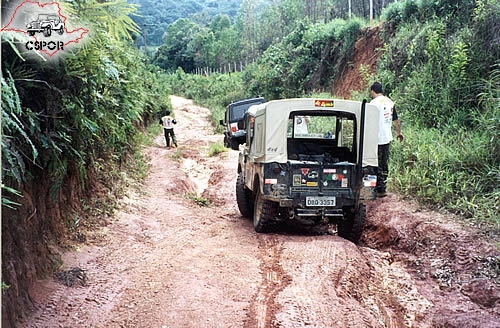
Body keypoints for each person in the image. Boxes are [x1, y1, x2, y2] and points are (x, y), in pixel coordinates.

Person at [369, 82, 404, 198]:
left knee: (376, 163)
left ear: (373, 91)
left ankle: (379, 189)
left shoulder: (373, 103)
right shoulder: (389, 102)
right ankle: (383, 187)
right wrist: (399, 133)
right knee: (384, 162)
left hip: (376, 138)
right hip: (387, 137)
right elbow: (396, 119)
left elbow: (368, 121)